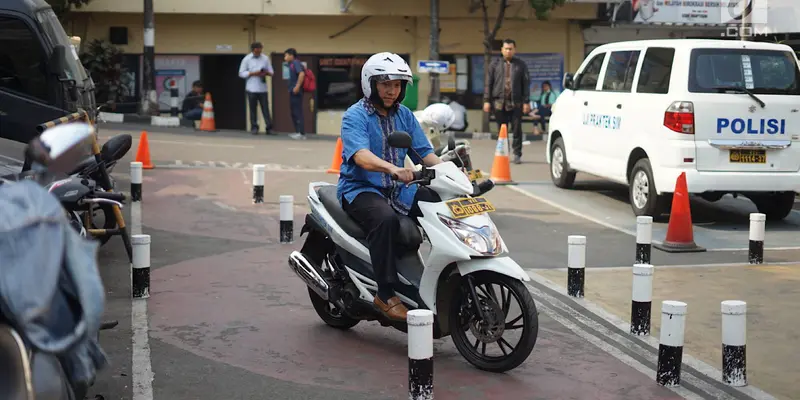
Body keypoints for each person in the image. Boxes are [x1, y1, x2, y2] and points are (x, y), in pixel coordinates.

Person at [337, 52, 443, 321]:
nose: (391, 91)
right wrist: (392, 168)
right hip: (360, 188)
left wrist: (454, 173)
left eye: (397, 85)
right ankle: (384, 294)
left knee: (439, 202)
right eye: (385, 84)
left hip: (398, 189)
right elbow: (360, 155)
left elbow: (424, 153)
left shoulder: (405, 115)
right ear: (370, 84)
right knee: (385, 220)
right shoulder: (355, 116)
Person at [483, 38, 530, 164]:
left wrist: (526, 101)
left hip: (516, 103)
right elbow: (489, 83)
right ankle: (503, 153)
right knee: (501, 130)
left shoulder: (521, 65)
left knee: (516, 129)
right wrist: (487, 100)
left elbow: (526, 84)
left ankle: (517, 154)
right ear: (502, 50)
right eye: (506, 49)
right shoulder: (494, 64)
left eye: (511, 49)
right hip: (499, 102)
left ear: (514, 50)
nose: (508, 51)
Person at [238, 42, 274, 135]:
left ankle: (269, 128)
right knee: (253, 109)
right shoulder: (247, 59)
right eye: (257, 51)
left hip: (263, 88)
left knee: (265, 108)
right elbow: (241, 73)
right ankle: (254, 127)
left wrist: (265, 72)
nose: (259, 52)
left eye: (260, 50)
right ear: (253, 50)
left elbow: (271, 72)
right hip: (251, 88)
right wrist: (252, 73)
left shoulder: (265, 58)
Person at [285, 48, 307, 140]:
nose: (285, 58)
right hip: (293, 91)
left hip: (296, 92)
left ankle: (301, 133)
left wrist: (297, 86)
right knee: (294, 112)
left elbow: (301, 74)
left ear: (291, 55)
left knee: (297, 112)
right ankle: (298, 131)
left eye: (286, 55)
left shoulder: (296, 63)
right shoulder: (292, 64)